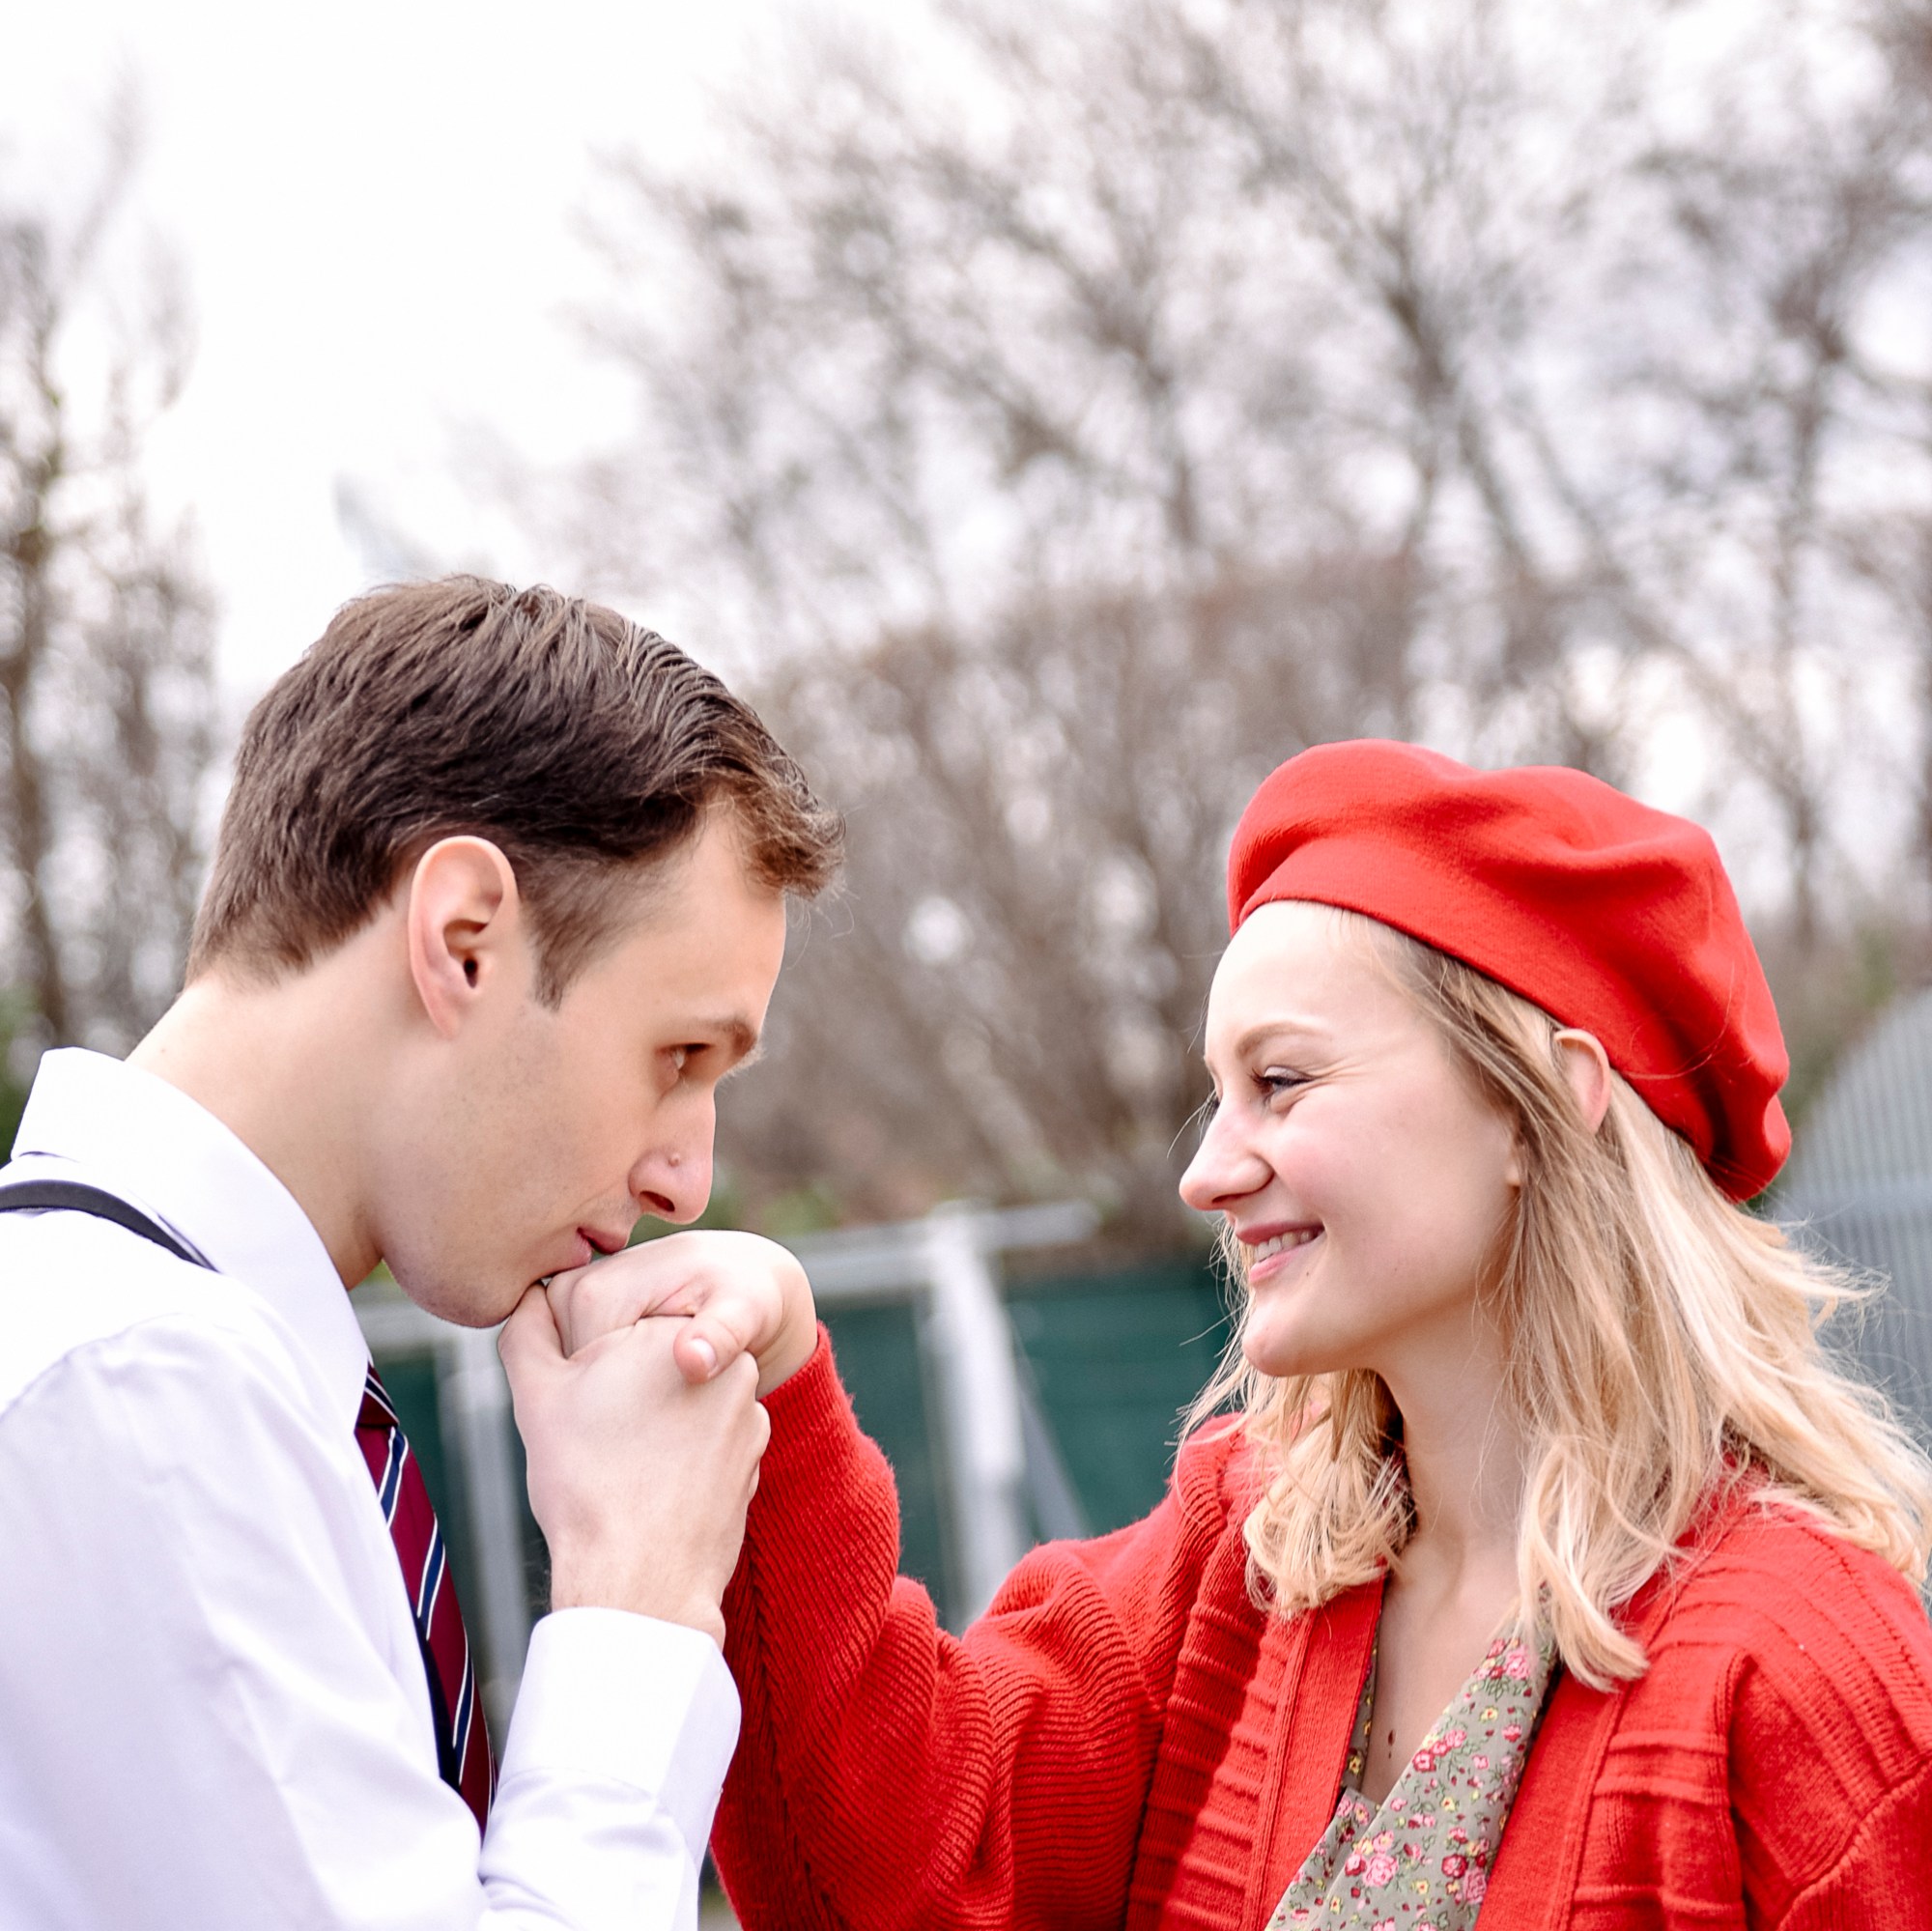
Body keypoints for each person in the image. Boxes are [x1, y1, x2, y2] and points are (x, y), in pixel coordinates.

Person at [554, 740, 1932, 1929]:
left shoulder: (1804, 1668)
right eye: (1217, 1100)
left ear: (1535, 1102)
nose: (1208, 1172)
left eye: (1281, 1083)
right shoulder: (1248, 1558)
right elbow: (895, 1880)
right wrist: (776, 1378)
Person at [0, 577, 840, 1929]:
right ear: (463, 943)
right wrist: (634, 1593)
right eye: (676, 1056)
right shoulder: (137, 1382)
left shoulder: (148, 1350)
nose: (686, 1178)